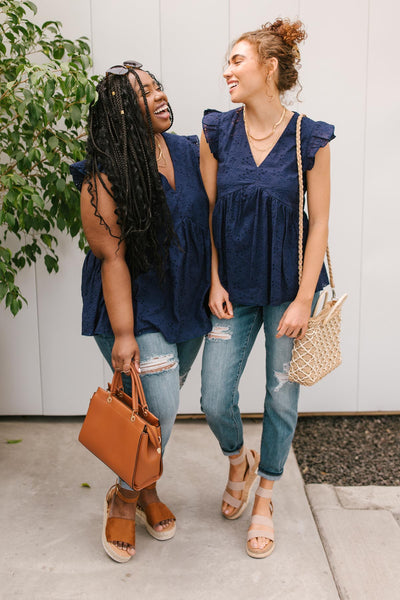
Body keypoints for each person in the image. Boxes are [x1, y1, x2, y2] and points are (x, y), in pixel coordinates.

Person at [199, 19, 334, 558]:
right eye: (228, 61)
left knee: (281, 396)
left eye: (237, 61)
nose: (226, 71)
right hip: (231, 289)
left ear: (269, 68)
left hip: (287, 292)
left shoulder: (311, 137)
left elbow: (319, 222)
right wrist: (212, 279)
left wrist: (304, 299)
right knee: (213, 398)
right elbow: (207, 215)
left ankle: (267, 494)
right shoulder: (217, 132)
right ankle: (239, 460)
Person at [70, 61, 211, 562]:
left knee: (154, 412)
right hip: (134, 305)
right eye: (142, 94)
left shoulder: (190, 151)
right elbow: (112, 256)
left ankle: (146, 486)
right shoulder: (103, 174)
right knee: (165, 408)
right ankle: (126, 497)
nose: (158, 97)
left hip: (188, 300)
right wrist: (124, 334)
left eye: (158, 87)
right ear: (120, 112)